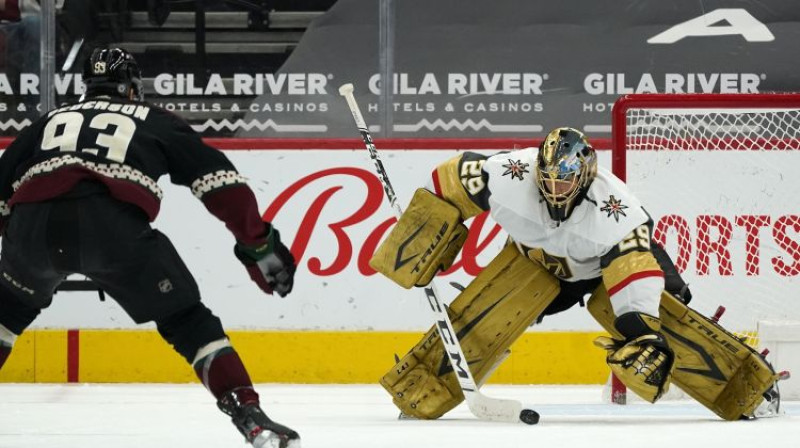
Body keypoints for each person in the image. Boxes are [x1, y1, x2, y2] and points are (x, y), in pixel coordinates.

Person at [371, 127, 781, 421]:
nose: (555, 189)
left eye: (565, 182)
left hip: (610, 266)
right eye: (548, 179)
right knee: (486, 317)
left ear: (585, 177)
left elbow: (632, 272)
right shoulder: (509, 174)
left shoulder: (617, 210)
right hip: (536, 264)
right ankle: (421, 390)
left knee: (658, 328)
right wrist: (425, 224)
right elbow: (450, 178)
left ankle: (749, 390)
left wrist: (640, 326)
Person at [0, 47, 300, 448]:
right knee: (188, 322)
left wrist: (19, 250)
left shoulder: (47, 121)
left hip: (30, 228)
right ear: (131, 89)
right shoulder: (152, 118)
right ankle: (251, 417)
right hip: (111, 228)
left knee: (7, 313)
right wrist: (257, 244)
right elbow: (221, 183)